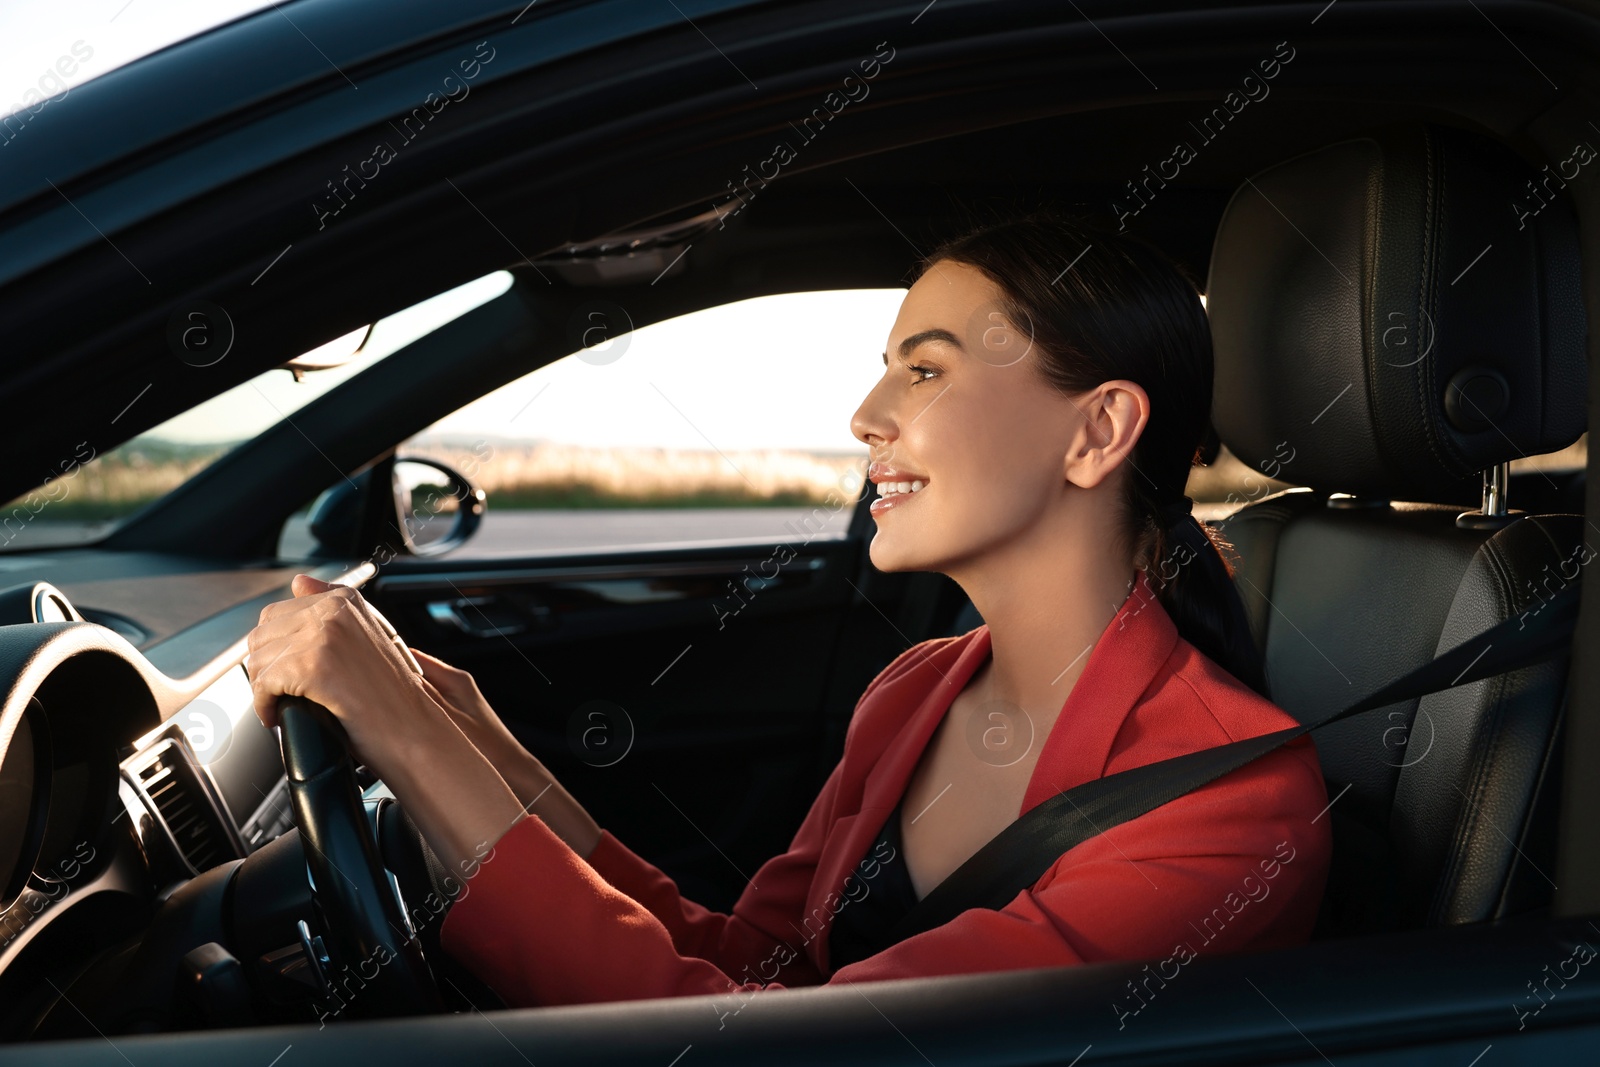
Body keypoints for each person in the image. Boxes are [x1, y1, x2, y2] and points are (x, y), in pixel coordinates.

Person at [244, 211, 1332, 1011]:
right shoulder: (916, 688)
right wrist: (465, 736)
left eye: (926, 371)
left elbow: (757, 1042)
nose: (865, 416)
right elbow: (752, 967)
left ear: (1095, 433)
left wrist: (410, 740)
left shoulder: (1228, 807)